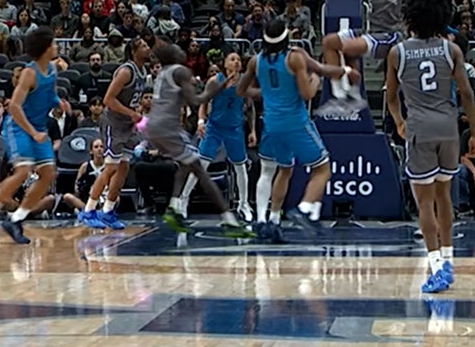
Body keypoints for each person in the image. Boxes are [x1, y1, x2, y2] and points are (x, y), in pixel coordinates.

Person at [385, 0, 475, 294]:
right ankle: (449, 257)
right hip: (448, 128)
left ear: (410, 16)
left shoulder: (397, 52)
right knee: (444, 196)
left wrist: (399, 121)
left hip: (420, 128)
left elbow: (390, 98)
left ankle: (437, 265)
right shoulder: (451, 50)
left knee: (423, 202)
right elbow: (466, 94)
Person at [239, 18, 356, 238]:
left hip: (271, 123)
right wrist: (315, 80)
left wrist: (266, 93)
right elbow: (308, 93)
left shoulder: (256, 60)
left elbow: (241, 91)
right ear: (287, 36)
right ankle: (303, 209)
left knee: (277, 170)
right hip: (294, 122)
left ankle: (267, 220)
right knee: (322, 168)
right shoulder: (295, 57)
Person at [147, 42, 254, 237]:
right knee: (199, 167)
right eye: (178, 49)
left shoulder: (165, 72)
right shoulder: (183, 72)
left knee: (191, 164)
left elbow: (249, 106)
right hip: (183, 127)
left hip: (156, 126)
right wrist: (202, 117)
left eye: (238, 59)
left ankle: (177, 206)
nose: (182, 50)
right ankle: (223, 218)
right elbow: (198, 101)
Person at [0, 27, 67, 244]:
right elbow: (15, 107)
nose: (56, 47)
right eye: (53, 43)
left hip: (38, 128)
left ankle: (15, 219)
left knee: (48, 174)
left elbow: (51, 95)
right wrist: (33, 132)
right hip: (18, 126)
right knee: (23, 171)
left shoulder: (52, 70)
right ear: (46, 48)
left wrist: (59, 104)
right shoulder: (29, 73)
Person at [79, 37, 150, 230]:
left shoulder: (143, 71)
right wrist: (132, 114)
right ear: (134, 51)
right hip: (113, 123)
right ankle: (88, 210)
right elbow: (108, 100)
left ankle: (108, 210)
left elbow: (131, 101)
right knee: (110, 168)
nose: (148, 47)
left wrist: (135, 117)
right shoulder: (126, 71)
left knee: (124, 168)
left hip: (127, 124)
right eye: (143, 45)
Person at [178, 52, 257, 222]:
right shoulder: (215, 81)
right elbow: (204, 103)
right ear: (225, 64)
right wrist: (201, 122)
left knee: (240, 166)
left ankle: (243, 204)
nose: (236, 62)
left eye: (238, 59)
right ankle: (183, 200)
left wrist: (253, 131)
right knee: (201, 164)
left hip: (235, 127)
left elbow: (250, 108)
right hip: (214, 127)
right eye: (232, 59)